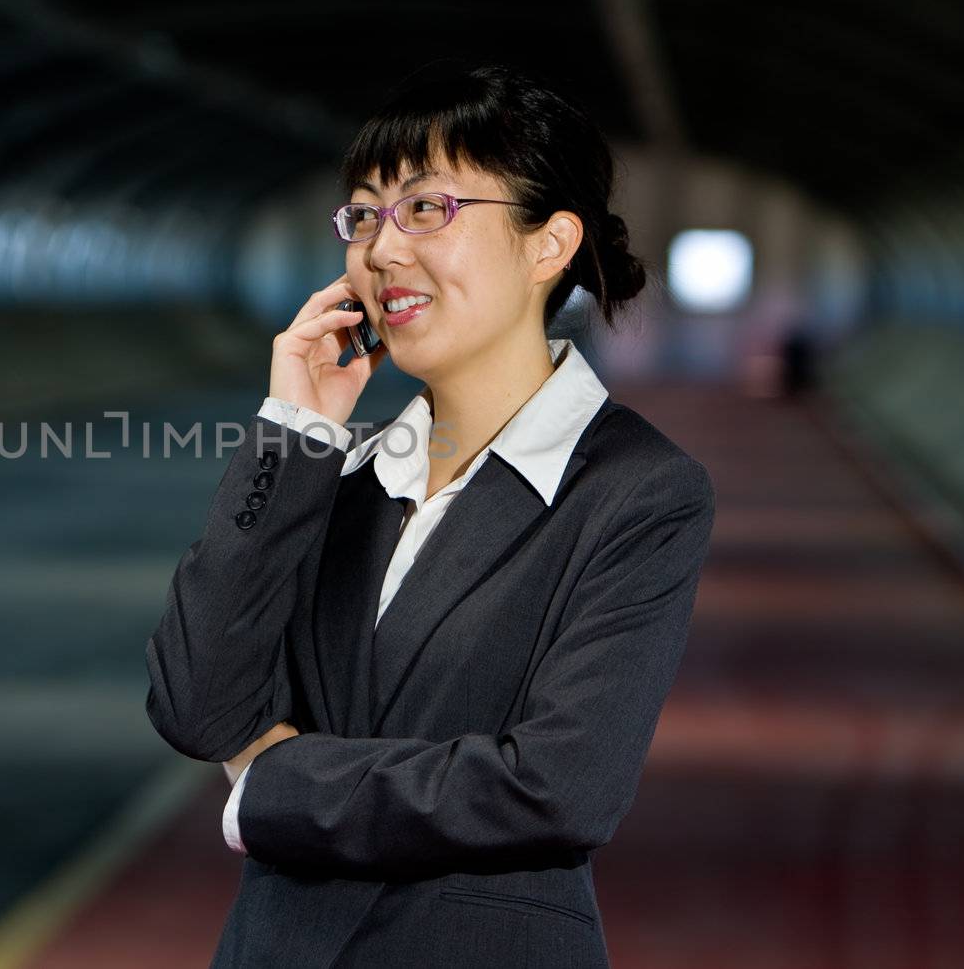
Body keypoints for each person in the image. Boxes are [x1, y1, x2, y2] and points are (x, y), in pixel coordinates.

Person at [145, 61, 716, 968]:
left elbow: (557, 787)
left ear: (548, 243)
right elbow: (194, 705)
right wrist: (295, 431)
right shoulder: (339, 474)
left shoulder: (635, 490)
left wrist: (276, 782)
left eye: (426, 209)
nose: (381, 251)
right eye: (364, 215)